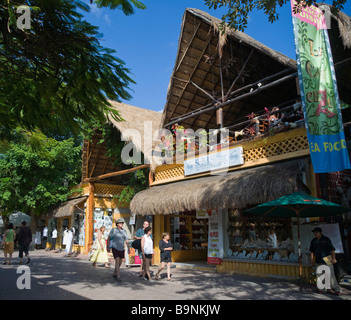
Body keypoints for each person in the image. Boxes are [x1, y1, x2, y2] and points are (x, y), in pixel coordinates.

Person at [309, 227, 341, 295]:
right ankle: (321, 289)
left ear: (320, 233)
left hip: (327, 258)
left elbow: (332, 250)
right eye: (314, 232)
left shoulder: (326, 239)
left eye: (316, 232)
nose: (315, 234)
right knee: (319, 275)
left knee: (331, 274)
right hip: (318, 259)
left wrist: (334, 258)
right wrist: (311, 260)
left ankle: (336, 288)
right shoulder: (313, 241)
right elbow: (311, 251)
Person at [107, 218, 129, 282]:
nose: (122, 224)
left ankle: (115, 272)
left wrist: (128, 248)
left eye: (122, 223)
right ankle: (118, 275)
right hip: (115, 247)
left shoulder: (124, 231)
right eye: (120, 223)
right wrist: (108, 246)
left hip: (122, 248)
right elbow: (109, 238)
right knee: (117, 261)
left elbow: (126, 240)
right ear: (117, 224)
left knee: (120, 262)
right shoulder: (114, 230)